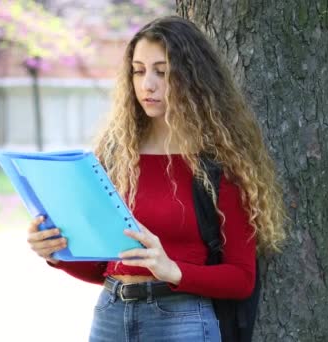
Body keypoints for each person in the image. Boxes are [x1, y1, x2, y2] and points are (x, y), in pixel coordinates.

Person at [27, 16, 286, 342]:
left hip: (183, 320)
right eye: (138, 70)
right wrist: (57, 253)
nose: (147, 84)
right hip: (111, 314)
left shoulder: (220, 162)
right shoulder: (114, 154)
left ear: (193, 78)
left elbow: (242, 278)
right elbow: (103, 266)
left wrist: (172, 270)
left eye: (162, 72)